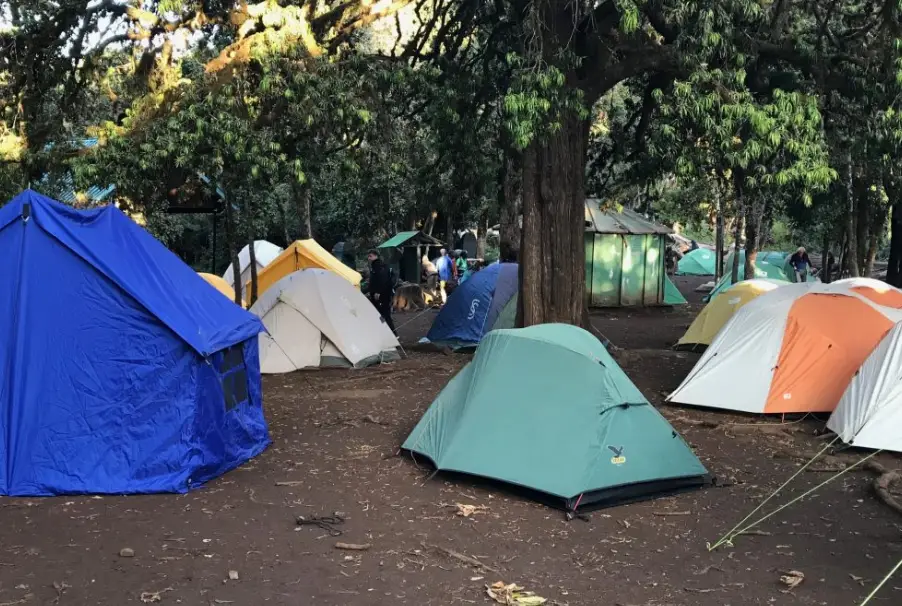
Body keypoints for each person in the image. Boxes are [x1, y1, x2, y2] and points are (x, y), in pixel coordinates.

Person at [367, 249, 395, 333]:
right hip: (382, 293)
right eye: (368, 256)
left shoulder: (379, 265)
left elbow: (382, 279)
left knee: (384, 313)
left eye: (370, 256)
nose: (369, 258)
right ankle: (384, 330)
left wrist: (378, 292)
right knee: (380, 313)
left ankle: (392, 331)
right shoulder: (377, 265)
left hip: (382, 294)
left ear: (376, 256)